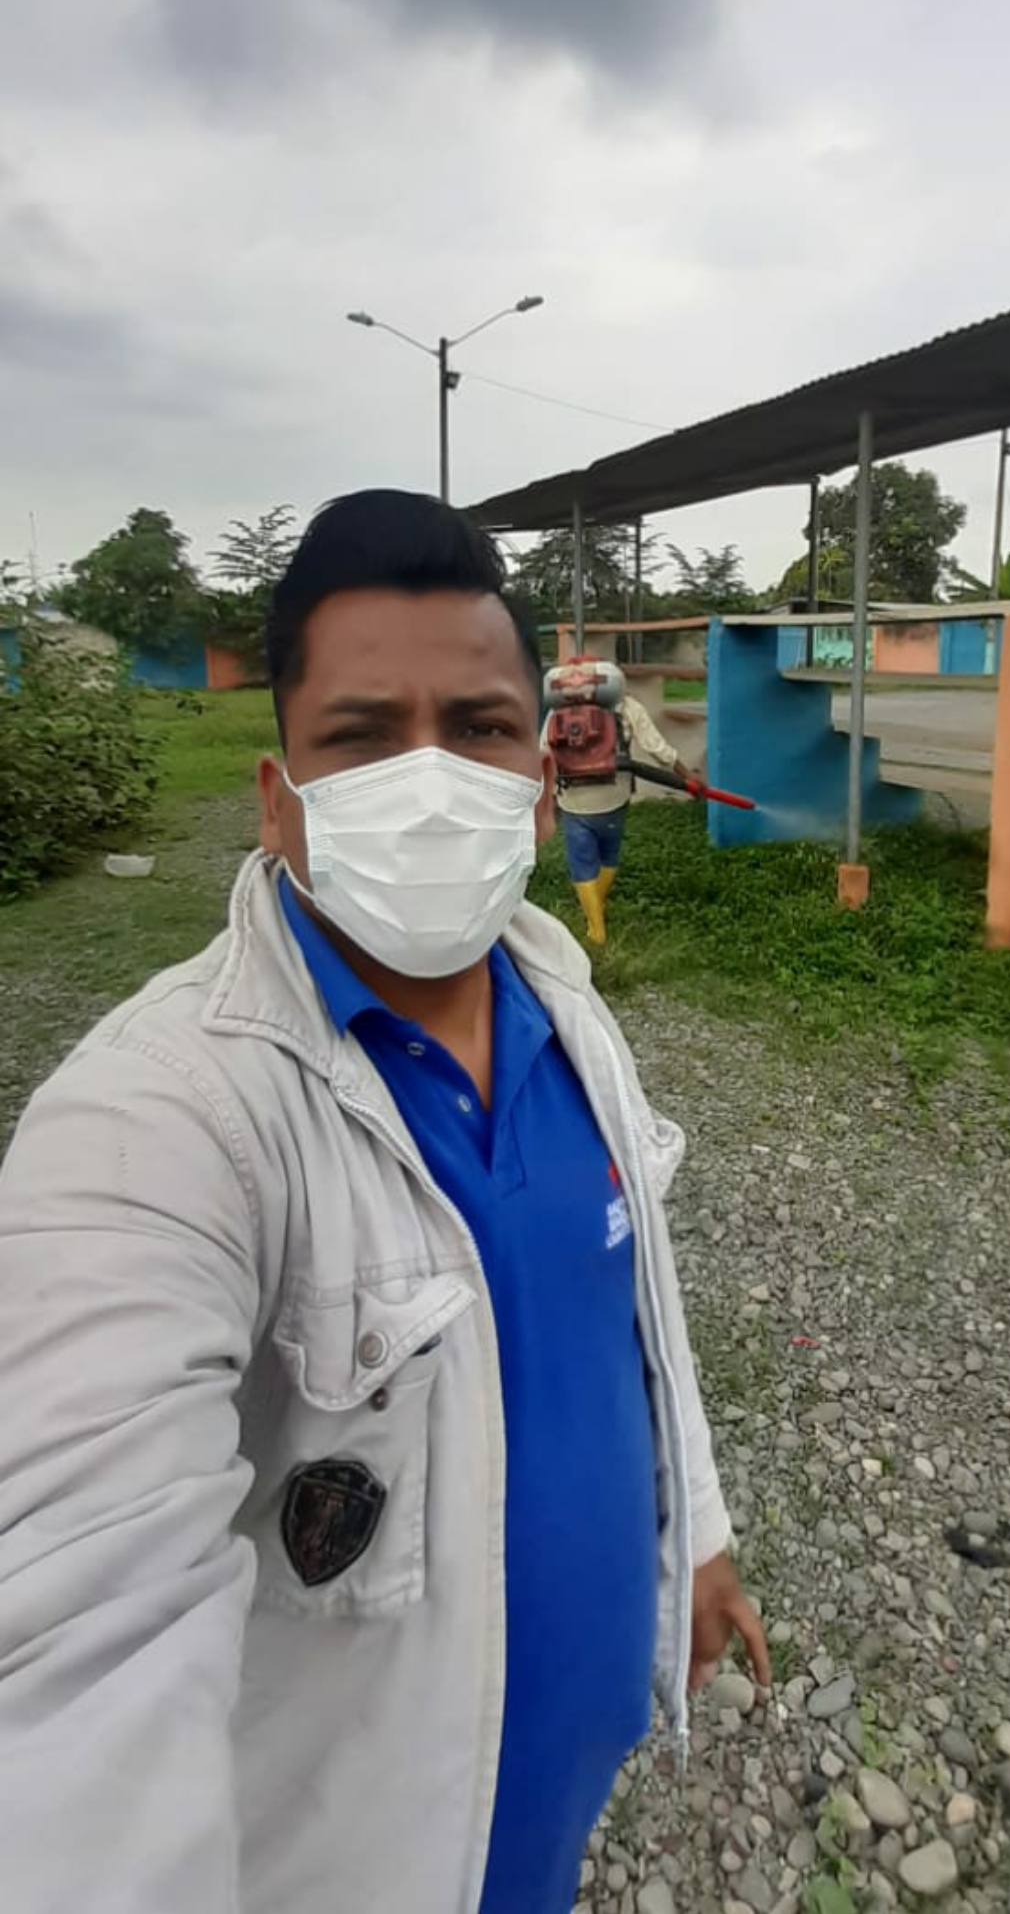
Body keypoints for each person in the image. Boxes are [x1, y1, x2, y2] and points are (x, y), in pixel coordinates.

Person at [0, 490, 768, 1914]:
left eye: (478, 727)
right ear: (277, 797)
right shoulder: (157, 1123)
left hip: (555, 1796)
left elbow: (631, 1323)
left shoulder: (564, 1002)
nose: (428, 779)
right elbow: (70, 1628)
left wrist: (698, 1542)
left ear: (540, 778)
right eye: (362, 736)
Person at [546, 672, 695, 944]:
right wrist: (687, 777)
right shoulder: (627, 705)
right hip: (614, 797)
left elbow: (543, 754)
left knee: (581, 862)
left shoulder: (558, 710)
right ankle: (598, 904)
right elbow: (657, 748)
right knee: (609, 854)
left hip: (573, 800)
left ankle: (596, 928)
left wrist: (543, 797)